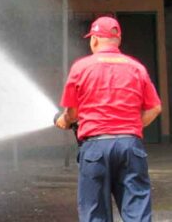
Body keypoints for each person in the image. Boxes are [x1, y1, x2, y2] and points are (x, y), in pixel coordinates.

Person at [55, 16, 162, 222]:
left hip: (95, 149)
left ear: (94, 39)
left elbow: (73, 113)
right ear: (118, 39)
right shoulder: (137, 67)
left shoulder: (82, 67)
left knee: (95, 214)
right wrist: (130, 127)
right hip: (131, 147)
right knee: (138, 213)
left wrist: (65, 120)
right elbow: (155, 108)